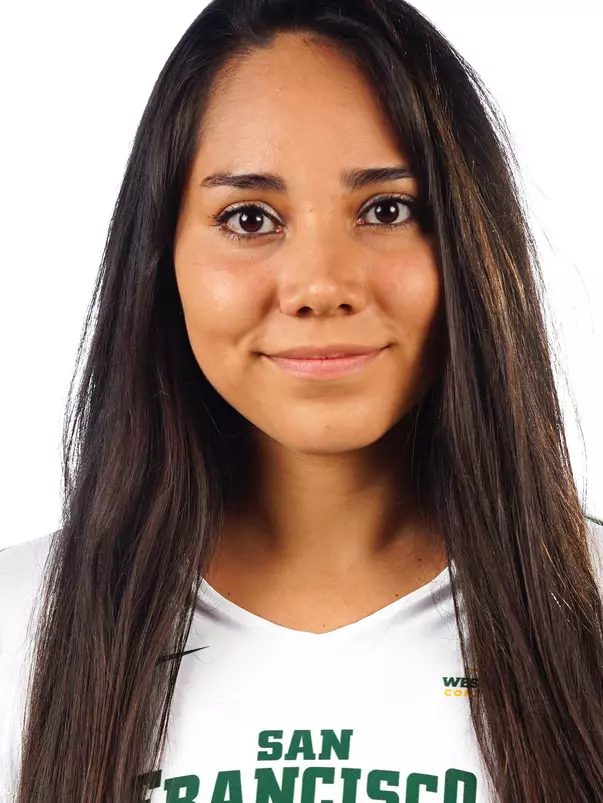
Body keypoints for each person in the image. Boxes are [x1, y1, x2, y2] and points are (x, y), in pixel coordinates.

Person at [1, 0, 602, 801]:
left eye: (387, 209)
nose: (322, 285)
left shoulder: (585, 607)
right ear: (162, 261)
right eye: (249, 217)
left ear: (470, 241)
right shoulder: (19, 631)